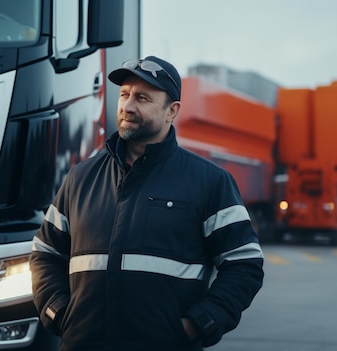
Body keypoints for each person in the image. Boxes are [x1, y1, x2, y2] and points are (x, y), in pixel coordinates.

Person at [30, 56, 264, 351]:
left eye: (142, 98)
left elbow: (245, 264)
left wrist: (199, 324)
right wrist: (59, 313)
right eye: (124, 94)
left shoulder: (210, 182)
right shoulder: (80, 178)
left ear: (172, 111)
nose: (128, 106)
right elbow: (45, 253)